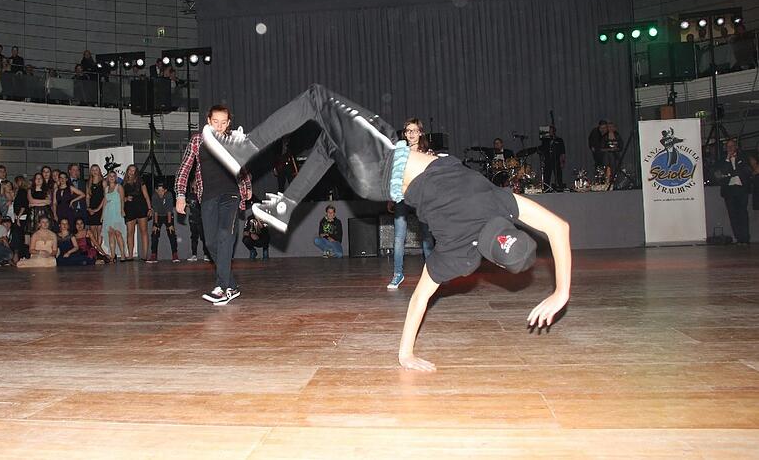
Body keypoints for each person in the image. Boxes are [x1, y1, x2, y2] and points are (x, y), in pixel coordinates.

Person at [202, 84, 571, 369]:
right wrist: (405, 353)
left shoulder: (500, 204)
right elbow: (420, 298)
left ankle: (244, 149)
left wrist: (561, 293)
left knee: (316, 98)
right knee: (330, 143)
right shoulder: (464, 258)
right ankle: (286, 206)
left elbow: (558, 229)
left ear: (512, 229)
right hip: (375, 187)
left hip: (383, 162)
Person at [175, 105, 253, 306]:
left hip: (231, 195)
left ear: (228, 123)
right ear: (208, 121)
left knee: (225, 236)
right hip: (208, 197)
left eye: (223, 122)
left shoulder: (232, 140)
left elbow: (243, 168)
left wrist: (247, 185)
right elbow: (185, 169)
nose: (219, 126)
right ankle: (230, 285)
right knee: (210, 243)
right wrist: (180, 195)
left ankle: (222, 288)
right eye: (215, 121)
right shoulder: (197, 141)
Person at [388, 118, 434, 289]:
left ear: (420, 132)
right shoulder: (400, 152)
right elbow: (394, 176)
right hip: (402, 196)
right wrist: (390, 197)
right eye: (408, 131)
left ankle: (432, 273)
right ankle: (397, 274)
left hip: (420, 197)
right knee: (399, 237)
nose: (411, 134)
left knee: (427, 236)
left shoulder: (427, 153)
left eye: (414, 130)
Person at [717, 139, 751, 245]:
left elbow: (746, 171)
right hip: (729, 190)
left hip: (741, 189)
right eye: (728, 146)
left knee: (743, 214)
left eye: (732, 146)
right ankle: (738, 238)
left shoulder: (743, 158)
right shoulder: (723, 160)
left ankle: (745, 238)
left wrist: (731, 173)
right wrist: (728, 160)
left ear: (736, 147)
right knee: (733, 215)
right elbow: (721, 173)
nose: (730, 148)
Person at [122, 165, 152, 261]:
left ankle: (145, 255)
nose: (131, 172)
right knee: (130, 232)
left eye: (133, 171)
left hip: (141, 207)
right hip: (129, 208)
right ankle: (130, 255)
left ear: (136, 172)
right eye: (130, 170)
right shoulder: (123, 183)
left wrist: (149, 208)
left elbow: (146, 196)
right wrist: (126, 198)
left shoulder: (140, 181)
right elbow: (120, 198)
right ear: (127, 171)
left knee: (143, 232)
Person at [148, 181, 178, 263]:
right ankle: (153, 255)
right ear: (156, 190)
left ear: (165, 190)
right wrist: (156, 224)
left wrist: (170, 224)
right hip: (158, 215)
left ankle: (175, 255)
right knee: (154, 233)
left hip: (168, 215)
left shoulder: (169, 195)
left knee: (171, 233)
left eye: (162, 190)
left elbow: (169, 211)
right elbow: (156, 212)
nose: (160, 192)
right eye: (158, 190)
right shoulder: (154, 196)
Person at [102, 169, 129, 261]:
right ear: (108, 178)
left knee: (118, 233)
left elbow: (122, 199)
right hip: (108, 213)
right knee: (110, 234)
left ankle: (122, 254)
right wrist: (102, 215)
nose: (112, 178)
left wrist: (122, 210)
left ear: (116, 178)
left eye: (113, 176)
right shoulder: (106, 189)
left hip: (117, 213)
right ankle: (113, 255)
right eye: (110, 176)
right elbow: (105, 202)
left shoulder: (119, 187)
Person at [86, 164, 106, 254]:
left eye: (96, 169)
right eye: (93, 170)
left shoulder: (103, 182)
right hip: (91, 208)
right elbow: (87, 196)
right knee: (92, 230)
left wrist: (98, 209)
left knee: (99, 230)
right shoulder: (88, 183)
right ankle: (93, 250)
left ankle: (98, 251)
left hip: (101, 208)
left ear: (99, 171)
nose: (94, 171)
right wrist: (89, 208)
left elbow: (105, 197)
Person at [540, 125, 566, 190]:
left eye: (551, 131)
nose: (550, 132)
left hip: (556, 160)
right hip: (548, 160)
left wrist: (562, 162)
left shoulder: (559, 140)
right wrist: (542, 160)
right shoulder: (545, 140)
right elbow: (543, 151)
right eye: (549, 131)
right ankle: (546, 188)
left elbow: (562, 152)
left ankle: (559, 187)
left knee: (558, 176)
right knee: (547, 176)